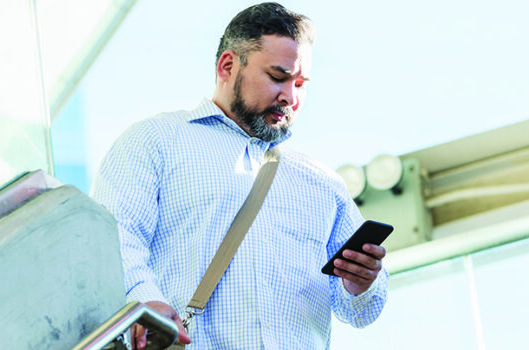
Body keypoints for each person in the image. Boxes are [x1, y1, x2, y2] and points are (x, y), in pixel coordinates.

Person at [90, 3, 387, 349]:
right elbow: (115, 238)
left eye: (300, 84)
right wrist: (146, 303)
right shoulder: (156, 141)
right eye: (277, 77)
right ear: (228, 66)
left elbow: (362, 312)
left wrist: (362, 283)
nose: (290, 97)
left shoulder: (324, 184)